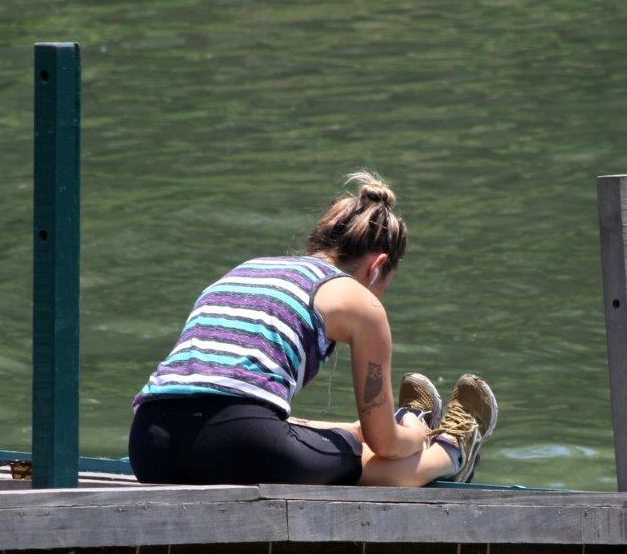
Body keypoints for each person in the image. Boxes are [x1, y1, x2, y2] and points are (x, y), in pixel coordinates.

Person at [128, 172, 497, 487]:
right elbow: (384, 445)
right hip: (241, 446)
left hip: (149, 446)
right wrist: (412, 435)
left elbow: (223, 397)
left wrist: (356, 429)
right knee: (376, 463)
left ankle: (370, 427)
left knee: (326, 435)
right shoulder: (361, 301)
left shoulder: (247, 268)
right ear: (377, 266)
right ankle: (452, 450)